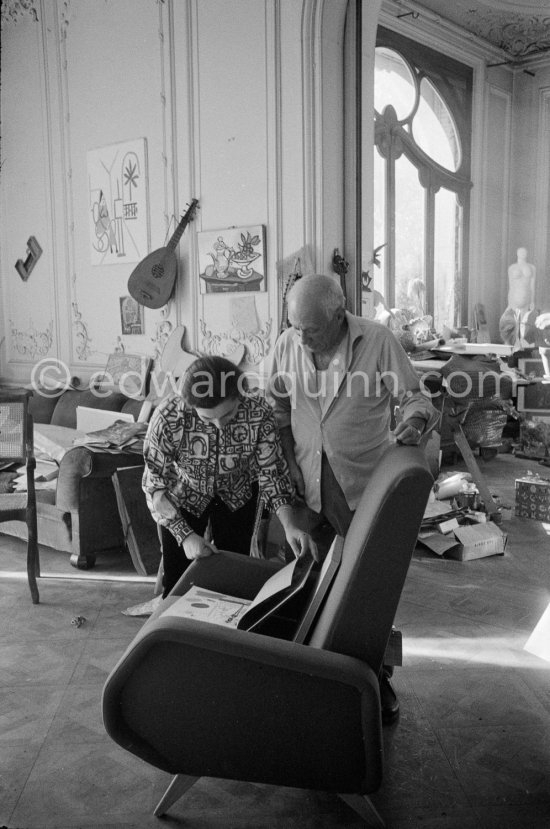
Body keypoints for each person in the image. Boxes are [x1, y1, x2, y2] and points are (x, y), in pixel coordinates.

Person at [267, 274, 437, 722]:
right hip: (307, 482)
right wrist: (287, 471)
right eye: (295, 326)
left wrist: (415, 423)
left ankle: (375, 678)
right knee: (308, 582)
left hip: (362, 485)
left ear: (339, 316)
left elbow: (415, 399)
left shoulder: (378, 342)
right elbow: (277, 411)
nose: (301, 337)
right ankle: (313, 674)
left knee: (368, 592)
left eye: (312, 329)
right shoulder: (287, 343)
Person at [143, 355, 317, 598]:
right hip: (183, 498)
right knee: (178, 581)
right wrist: (185, 536)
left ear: (240, 396)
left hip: (238, 496)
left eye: (227, 415)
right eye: (206, 419)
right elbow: (154, 485)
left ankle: (225, 632)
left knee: (232, 576)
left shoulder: (258, 412)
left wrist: (290, 527)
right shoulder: (168, 417)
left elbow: (271, 473)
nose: (218, 426)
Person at [499, 247, 537, 350]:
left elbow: (532, 286)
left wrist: (532, 301)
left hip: (526, 298)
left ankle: (522, 345)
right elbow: (511, 286)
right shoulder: (512, 268)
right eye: (520, 252)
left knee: (524, 325)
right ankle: (513, 344)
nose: (522, 254)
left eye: (524, 252)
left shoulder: (532, 268)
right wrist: (509, 303)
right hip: (515, 298)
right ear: (517, 253)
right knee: (513, 324)